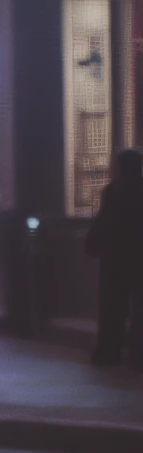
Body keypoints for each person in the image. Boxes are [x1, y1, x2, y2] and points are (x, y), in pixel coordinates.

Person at [85, 148, 143, 367]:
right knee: (140, 308)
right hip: (139, 258)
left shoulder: (113, 191)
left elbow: (104, 221)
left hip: (115, 259)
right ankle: (138, 354)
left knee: (112, 308)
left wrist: (92, 244)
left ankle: (109, 352)